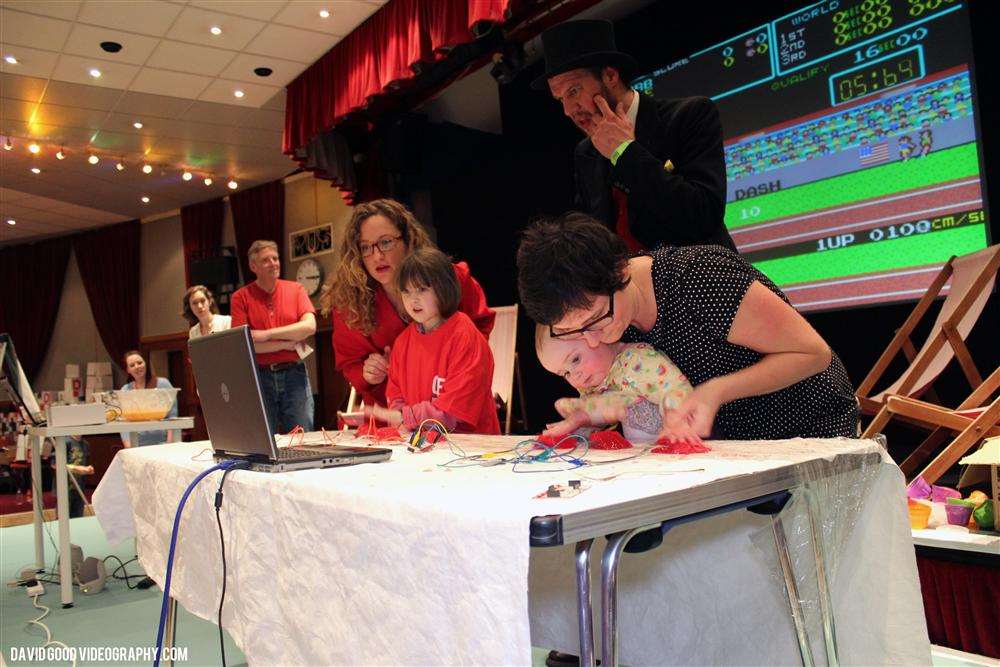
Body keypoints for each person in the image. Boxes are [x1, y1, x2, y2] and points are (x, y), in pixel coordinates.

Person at [517, 213, 859, 442]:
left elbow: (813, 353)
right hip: (731, 448)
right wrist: (590, 415)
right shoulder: (614, 322)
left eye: (594, 320)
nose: (593, 340)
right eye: (576, 334)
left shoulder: (698, 278)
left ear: (619, 273)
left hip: (809, 428)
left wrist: (716, 391)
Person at [534, 19, 736, 252]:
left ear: (610, 75)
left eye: (573, 91)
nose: (568, 110)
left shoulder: (689, 115)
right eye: (560, 99)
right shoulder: (586, 152)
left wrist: (625, 152)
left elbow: (703, 217)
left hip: (705, 280)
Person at [324, 199, 495, 408]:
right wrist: (368, 373)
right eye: (366, 247)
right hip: (392, 412)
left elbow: (479, 328)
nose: (377, 256)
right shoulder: (349, 303)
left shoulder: (450, 278)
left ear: (408, 241)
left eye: (386, 242)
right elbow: (350, 365)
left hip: (453, 402)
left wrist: (453, 363)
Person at [365, 247, 500, 435]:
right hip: (423, 447)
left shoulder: (464, 334)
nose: (413, 300)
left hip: (472, 449)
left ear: (443, 288)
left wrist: (405, 417)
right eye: (406, 292)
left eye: (421, 289)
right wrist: (400, 420)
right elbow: (396, 398)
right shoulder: (402, 342)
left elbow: (453, 412)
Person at [536, 325, 691, 442]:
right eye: (565, 373)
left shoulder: (637, 360)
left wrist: (677, 420)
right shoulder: (593, 381)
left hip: (680, 446)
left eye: (575, 359)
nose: (575, 376)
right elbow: (599, 420)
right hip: (644, 460)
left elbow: (676, 388)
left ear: (597, 333)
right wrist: (575, 429)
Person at [231, 240, 316, 433]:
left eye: (275, 258)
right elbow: (245, 344)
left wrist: (266, 335)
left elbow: (310, 327)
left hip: (295, 375)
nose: (273, 263)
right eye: (266, 260)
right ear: (253, 266)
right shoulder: (241, 297)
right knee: (261, 439)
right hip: (259, 377)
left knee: (302, 438)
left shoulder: (296, 289)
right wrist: (285, 345)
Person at [120, 350, 178, 447]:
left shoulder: (163, 384)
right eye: (132, 365)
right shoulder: (125, 390)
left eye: (139, 363)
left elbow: (172, 416)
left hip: (162, 443)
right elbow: (124, 422)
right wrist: (128, 446)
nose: (137, 367)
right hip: (136, 444)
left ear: (145, 363)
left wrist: (170, 443)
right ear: (128, 370)